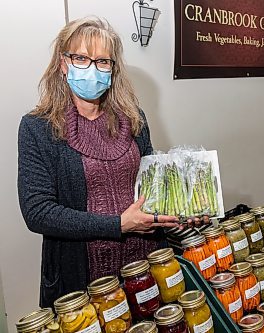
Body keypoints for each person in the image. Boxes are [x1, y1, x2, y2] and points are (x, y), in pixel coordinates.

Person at [17, 17, 207, 308]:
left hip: (147, 268)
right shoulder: (37, 128)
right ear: (63, 63)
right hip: (83, 282)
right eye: (81, 58)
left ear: (112, 69)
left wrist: (182, 212)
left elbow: (151, 188)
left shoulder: (133, 118)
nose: (92, 69)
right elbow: (39, 212)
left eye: (103, 61)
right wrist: (118, 224)